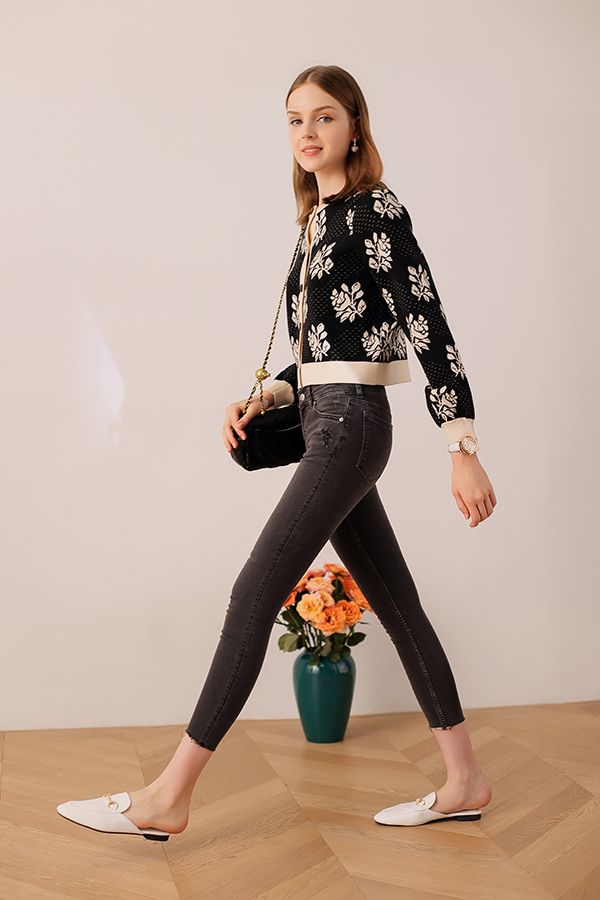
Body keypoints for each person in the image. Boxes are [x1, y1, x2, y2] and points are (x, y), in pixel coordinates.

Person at [57, 65, 496, 838]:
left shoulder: (376, 210)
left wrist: (461, 445)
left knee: (253, 593)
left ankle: (168, 798)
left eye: (324, 116)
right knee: (398, 606)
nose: (307, 131)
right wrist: (266, 396)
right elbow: (321, 352)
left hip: (353, 427)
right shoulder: (316, 222)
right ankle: (466, 780)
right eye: (295, 118)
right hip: (327, 421)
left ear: (354, 127)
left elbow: (427, 321)